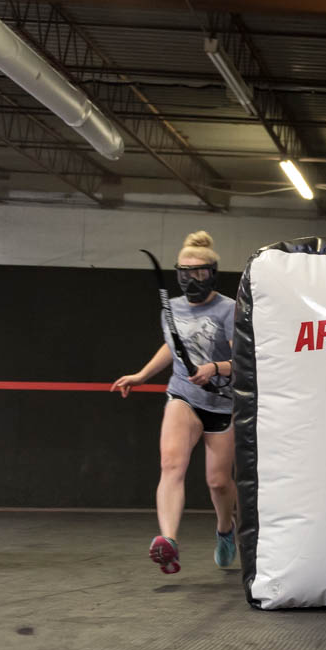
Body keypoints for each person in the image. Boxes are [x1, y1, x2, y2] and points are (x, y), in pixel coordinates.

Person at [111, 231, 237, 574]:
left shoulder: (228, 309)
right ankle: (168, 540)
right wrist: (142, 374)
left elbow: (244, 360)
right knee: (171, 465)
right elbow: (173, 346)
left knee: (219, 482)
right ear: (178, 273)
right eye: (185, 272)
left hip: (222, 402)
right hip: (183, 394)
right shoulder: (173, 308)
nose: (192, 278)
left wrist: (213, 368)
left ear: (212, 272)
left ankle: (226, 530)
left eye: (199, 272)